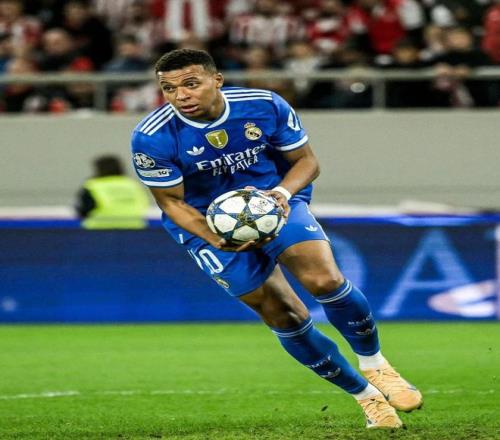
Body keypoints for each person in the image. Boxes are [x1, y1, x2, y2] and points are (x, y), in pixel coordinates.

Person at [130, 49, 423, 429]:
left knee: (324, 279)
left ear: (216, 80)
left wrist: (282, 194)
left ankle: (376, 365)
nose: (180, 95)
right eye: (169, 89)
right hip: (205, 226)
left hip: (274, 202)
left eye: (190, 83)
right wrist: (213, 236)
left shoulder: (263, 105)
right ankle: (367, 398)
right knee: (283, 314)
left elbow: (307, 162)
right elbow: (171, 202)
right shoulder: (151, 137)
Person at [76, 155, 150, 229]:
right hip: (134, 226)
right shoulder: (132, 184)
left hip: (100, 227)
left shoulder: (92, 185)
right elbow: (144, 203)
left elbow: (84, 210)